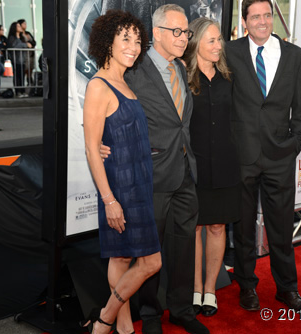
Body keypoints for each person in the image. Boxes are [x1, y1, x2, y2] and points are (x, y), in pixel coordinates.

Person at [103, 4, 209, 334]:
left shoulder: (180, 68)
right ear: (158, 33)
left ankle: (180, 309)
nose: (183, 38)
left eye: (186, 32)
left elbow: (181, 122)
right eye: (177, 32)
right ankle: (150, 315)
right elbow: (109, 104)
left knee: (182, 247)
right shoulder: (133, 69)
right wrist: (101, 143)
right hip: (151, 175)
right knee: (150, 252)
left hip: (185, 173)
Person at [225, 0, 301, 315]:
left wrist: (294, 144)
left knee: (280, 227)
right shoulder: (229, 53)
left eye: (266, 15)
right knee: (244, 227)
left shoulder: (295, 57)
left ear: (273, 17)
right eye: (255, 16)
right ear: (244, 20)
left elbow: (300, 110)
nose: (262, 21)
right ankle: (247, 285)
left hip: (280, 158)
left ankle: (287, 289)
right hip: (242, 156)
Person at [82, 9, 162, 334]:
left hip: (138, 184)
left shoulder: (123, 81)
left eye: (137, 39)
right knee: (150, 262)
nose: (133, 45)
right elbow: (91, 148)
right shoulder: (99, 86)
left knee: (121, 261)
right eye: (125, 38)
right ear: (108, 42)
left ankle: (124, 329)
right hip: (119, 188)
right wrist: (109, 200)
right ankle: (105, 319)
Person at [182, 17, 240, 317]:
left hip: (226, 164)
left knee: (218, 227)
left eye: (220, 40)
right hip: (194, 166)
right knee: (194, 229)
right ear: (196, 44)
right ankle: (194, 289)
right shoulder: (181, 76)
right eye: (212, 41)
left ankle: (210, 290)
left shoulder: (229, 77)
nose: (219, 46)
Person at [7, 21, 31, 98]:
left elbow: (30, 44)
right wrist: (25, 45)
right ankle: (18, 91)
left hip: (23, 59)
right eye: (18, 26)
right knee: (17, 76)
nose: (20, 27)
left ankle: (22, 90)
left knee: (22, 76)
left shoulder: (22, 37)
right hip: (16, 60)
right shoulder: (12, 37)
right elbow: (14, 46)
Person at [17, 19, 36, 86]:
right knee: (25, 69)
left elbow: (34, 42)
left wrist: (30, 44)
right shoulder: (19, 35)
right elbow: (22, 43)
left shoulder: (28, 33)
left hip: (31, 54)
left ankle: (30, 82)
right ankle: (24, 84)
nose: (25, 25)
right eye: (24, 24)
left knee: (30, 68)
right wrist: (27, 44)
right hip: (24, 55)